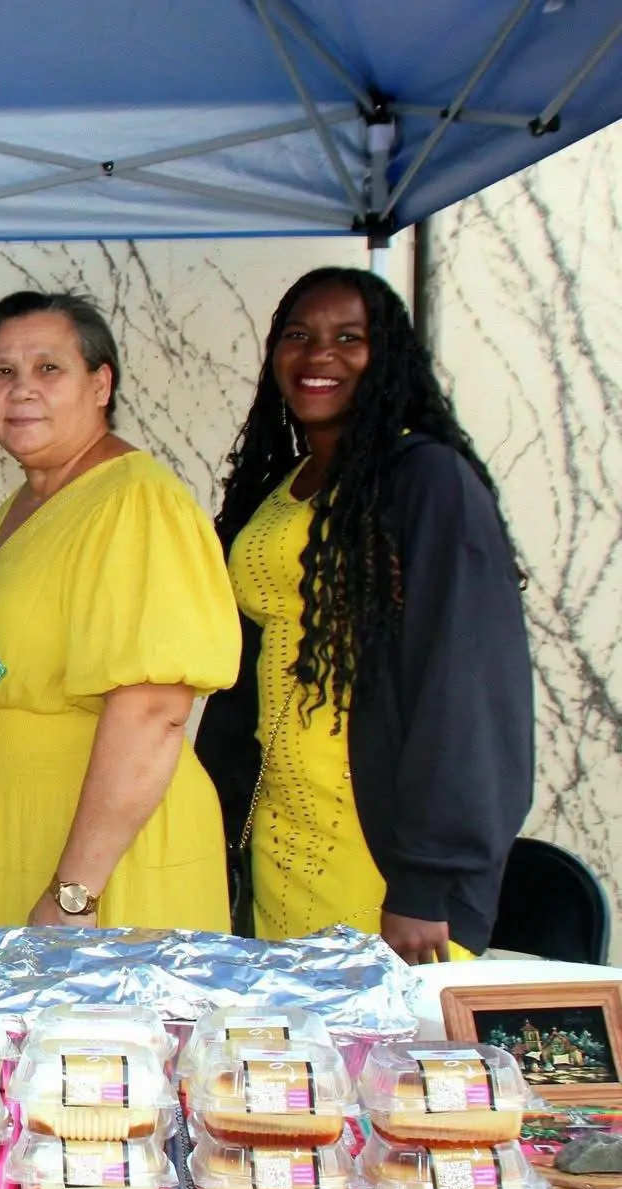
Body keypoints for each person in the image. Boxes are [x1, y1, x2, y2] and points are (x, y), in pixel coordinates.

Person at [196, 267, 531, 962]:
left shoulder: (427, 479)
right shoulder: (277, 488)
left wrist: (427, 881)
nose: (319, 354)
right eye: (298, 335)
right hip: (279, 832)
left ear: (387, 357)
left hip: (383, 851)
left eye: (349, 337)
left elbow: (466, 686)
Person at [0, 291, 240, 933]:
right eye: (3, 371)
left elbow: (153, 708)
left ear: (100, 384)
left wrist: (75, 892)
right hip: (24, 832)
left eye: (48, 368)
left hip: (103, 861)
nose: (22, 389)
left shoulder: (137, 502)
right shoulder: (27, 503)